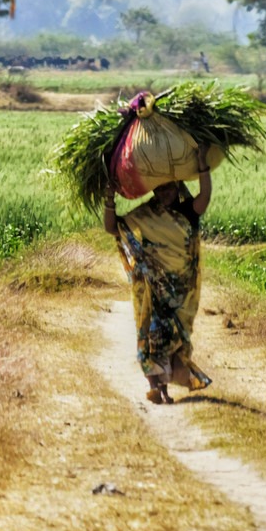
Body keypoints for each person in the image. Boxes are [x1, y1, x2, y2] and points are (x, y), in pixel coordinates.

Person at [104, 143, 213, 404]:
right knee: (153, 332)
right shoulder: (146, 214)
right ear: (153, 190)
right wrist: (109, 200)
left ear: (177, 187)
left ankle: (165, 384)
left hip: (180, 290)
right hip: (154, 286)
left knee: (174, 337)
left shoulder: (188, 211)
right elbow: (113, 228)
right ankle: (158, 388)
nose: (164, 193)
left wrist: (202, 164)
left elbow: (205, 197)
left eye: (169, 187)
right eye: (159, 189)